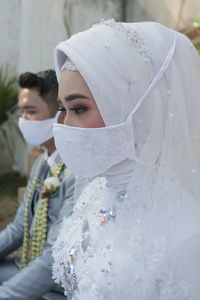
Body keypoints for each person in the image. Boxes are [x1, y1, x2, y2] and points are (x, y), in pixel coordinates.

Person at [51, 20, 200, 299]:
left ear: (134, 108)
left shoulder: (187, 236)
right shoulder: (95, 195)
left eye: (79, 108)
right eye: (63, 109)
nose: (64, 125)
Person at [0, 70, 75, 300]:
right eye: (21, 111)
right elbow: (19, 228)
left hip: (58, 286)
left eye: (31, 111)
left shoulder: (75, 171)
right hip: (29, 263)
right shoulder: (42, 162)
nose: (23, 120)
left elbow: (55, 255)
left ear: (59, 115)